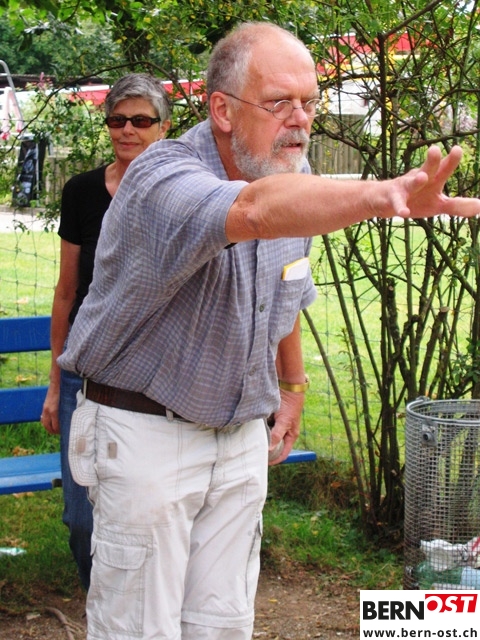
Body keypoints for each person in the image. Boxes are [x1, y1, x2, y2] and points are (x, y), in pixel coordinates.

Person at [58, 22, 479, 640]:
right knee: (139, 630)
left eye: (309, 102)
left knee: (223, 626)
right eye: (279, 102)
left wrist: (293, 387)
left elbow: (285, 290)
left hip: (239, 441)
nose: (300, 119)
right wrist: (380, 195)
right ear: (222, 110)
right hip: (146, 436)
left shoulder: (294, 178)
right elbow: (251, 212)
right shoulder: (160, 177)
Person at [40, 73, 171, 591]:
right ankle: (102, 603)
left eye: (140, 120)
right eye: (117, 120)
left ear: (163, 127)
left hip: (151, 379)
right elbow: (65, 292)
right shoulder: (82, 192)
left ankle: (136, 609)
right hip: (85, 370)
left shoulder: (180, 194)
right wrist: (55, 385)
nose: (127, 130)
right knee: (82, 518)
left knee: (146, 512)